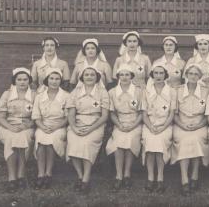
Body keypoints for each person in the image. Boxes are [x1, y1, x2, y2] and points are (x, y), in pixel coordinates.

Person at [66, 66, 110, 194]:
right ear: (82, 78)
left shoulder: (102, 92)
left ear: (97, 77)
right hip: (78, 124)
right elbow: (71, 114)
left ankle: (86, 178)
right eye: (86, 75)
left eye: (92, 75)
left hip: (96, 124)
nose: (89, 77)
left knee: (87, 143)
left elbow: (104, 116)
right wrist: (73, 127)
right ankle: (80, 175)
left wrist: (90, 129)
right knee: (73, 142)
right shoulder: (75, 92)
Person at [171, 64, 209, 196]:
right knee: (184, 140)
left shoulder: (206, 91)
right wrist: (182, 125)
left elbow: (208, 115)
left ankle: (194, 175)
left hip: (199, 124)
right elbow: (174, 114)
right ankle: (184, 179)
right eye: (191, 74)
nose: (193, 76)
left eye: (196, 74)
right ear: (186, 75)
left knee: (196, 139)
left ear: (200, 77)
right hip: (181, 123)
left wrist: (198, 125)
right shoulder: (178, 90)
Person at [0, 68, 36, 193]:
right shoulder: (7, 94)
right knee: (11, 138)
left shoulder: (35, 95)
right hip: (8, 126)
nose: (22, 82)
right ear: (15, 81)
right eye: (19, 79)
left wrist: (26, 126)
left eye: (25, 79)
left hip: (27, 126)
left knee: (23, 137)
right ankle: (12, 177)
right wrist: (10, 127)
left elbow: (37, 116)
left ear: (29, 81)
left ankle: (21, 175)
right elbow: (0, 117)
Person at [105, 64, 143, 191]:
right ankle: (118, 175)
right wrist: (119, 125)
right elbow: (112, 113)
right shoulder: (112, 92)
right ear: (118, 76)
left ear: (131, 76)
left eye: (127, 74)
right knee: (119, 142)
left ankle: (127, 174)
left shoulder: (139, 91)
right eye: (122, 74)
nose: (124, 77)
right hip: (120, 122)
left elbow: (142, 112)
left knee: (131, 139)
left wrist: (133, 125)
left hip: (135, 122)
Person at [32, 68, 69, 189]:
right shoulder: (39, 96)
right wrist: (43, 127)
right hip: (43, 125)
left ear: (61, 80)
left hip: (59, 126)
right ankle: (40, 174)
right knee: (41, 140)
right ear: (47, 80)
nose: (54, 81)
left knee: (52, 140)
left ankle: (48, 173)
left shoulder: (66, 96)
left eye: (57, 79)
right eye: (51, 78)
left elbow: (68, 118)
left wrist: (56, 127)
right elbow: (36, 116)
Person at [141, 65, 176, 193]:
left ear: (165, 75)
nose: (158, 76)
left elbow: (172, 114)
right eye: (156, 73)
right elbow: (144, 114)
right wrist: (150, 127)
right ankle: (150, 177)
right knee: (150, 143)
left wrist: (162, 128)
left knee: (160, 142)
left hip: (165, 125)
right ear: (152, 75)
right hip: (149, 125)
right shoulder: (146, 91)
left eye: (161, 73)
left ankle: (160, 177)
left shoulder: (172, 91)